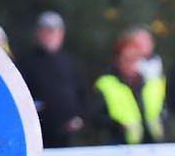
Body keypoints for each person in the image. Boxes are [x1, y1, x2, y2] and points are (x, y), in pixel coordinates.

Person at [17, 12, 87, 147]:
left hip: (68, 136)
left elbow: (82, 94)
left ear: (61, 34)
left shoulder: (70, 63)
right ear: (38, 33)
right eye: (45, 31)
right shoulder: (26, 62)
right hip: (39, 136)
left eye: (53, 31)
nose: (49, 35)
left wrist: (79, 118)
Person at [91, 38, 165, 144]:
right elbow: (96, 118)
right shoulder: (106, 83)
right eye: (128, 59)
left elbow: (161, 111)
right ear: (118, 60)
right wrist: (117, 125)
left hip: (150, 147)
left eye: (136, 58)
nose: (132, 63)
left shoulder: (150, 83)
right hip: (118, 147)